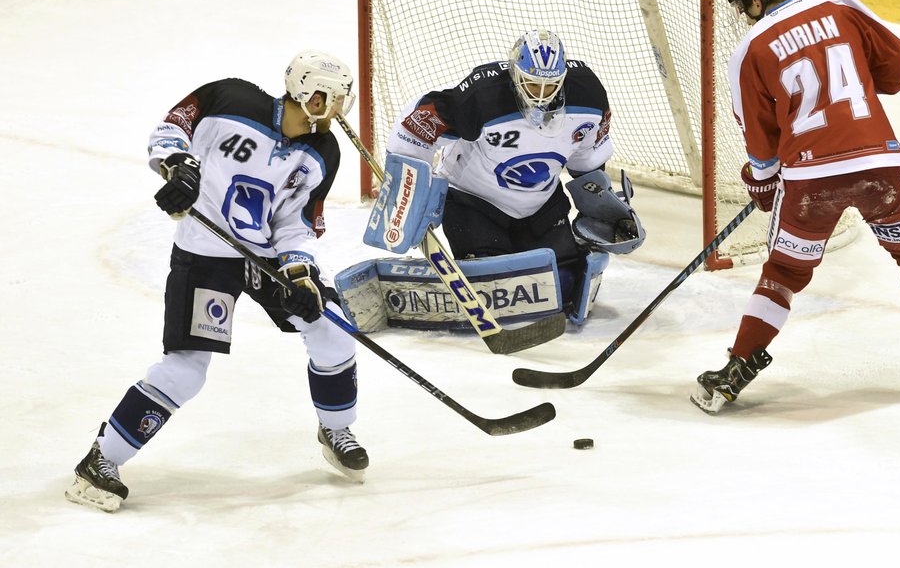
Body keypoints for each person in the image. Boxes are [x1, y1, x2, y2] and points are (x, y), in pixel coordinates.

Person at [65, 51, 368, 513]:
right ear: (308, 93)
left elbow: (295, 222)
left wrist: (300, 272)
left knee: (333, 331)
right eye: (333, 99)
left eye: (343, 101)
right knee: (186, 370)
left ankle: (336, 429)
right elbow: (173, 127)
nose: (339, 111)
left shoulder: (322, 151)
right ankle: (100, 462)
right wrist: (177, 166)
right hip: (205, 255)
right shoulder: (230, 99)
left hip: (263, 257)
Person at [691, 0, 900, 414]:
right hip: (881, 165)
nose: (744, 14)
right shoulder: (838, 5)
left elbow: (760, 142)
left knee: (783, 275)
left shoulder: (750, 49)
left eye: (745, 5)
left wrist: (761, 183)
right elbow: (896, 67)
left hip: (809, 181)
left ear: (757, 1)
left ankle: (735, 372)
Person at [379, 29, 644, 320]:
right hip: (474, 203)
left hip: (541, 204)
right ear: (515, 74)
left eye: (551, 85)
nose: (542, 95)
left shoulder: (589, 99)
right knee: (496, 288)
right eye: (532, 84)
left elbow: (585, 155)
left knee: (565, 284)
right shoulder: (483, 98)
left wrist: (599, 202)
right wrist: (409, 191)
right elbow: (413, 131)